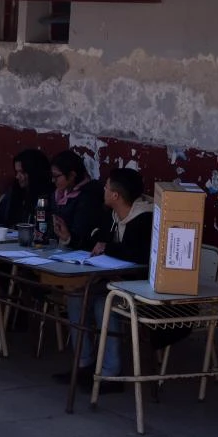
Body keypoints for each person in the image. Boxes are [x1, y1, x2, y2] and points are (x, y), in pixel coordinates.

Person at [55, 168, 153, 394]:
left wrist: (110, 248)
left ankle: (111, 372)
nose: (104, 190)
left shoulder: (145, 220)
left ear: (116, 195)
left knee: (103, 303)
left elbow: (140, 255)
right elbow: (94, 241)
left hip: (136, 286)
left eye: (107, 187)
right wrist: (69, 238)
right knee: (76, 294)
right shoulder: (110, 215)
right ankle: (85, 363)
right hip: (111, 280)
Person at [51, 150, 104, 250]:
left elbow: (83, 237)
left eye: (56, 176)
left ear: (72, 175)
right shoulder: (59, 193)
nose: (53, 180)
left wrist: (68, 237)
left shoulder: (88, 198)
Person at [0, 148, 53, 227]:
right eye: (16, 172)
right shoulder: (14, 192)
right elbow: (2, 219)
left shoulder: (48, 196)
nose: (17, 176)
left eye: (22, 172)